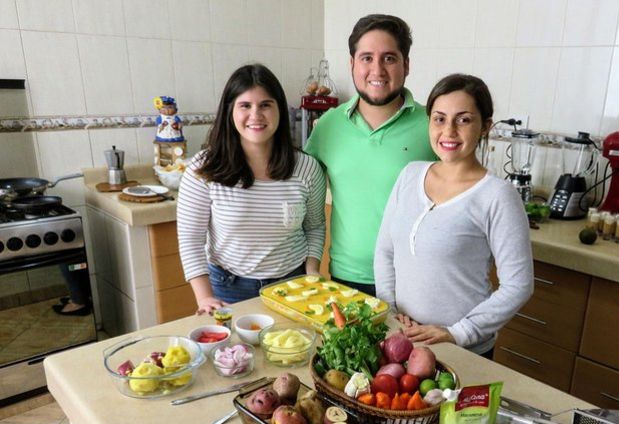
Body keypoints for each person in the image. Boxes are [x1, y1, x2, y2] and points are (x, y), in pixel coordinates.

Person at [374, 74, 534, 358]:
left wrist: (457, 333)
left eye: (463, 120)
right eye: (439, 119)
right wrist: (390, 312)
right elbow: (386, 251)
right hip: (401, 339)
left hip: (461, 350)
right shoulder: (410, 174)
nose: (448, 131)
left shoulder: (497, 196)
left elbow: (519, 285)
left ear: (485, 126)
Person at [177, 64, 326, 314]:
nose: (256, 115)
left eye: (265, 105)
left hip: (294, 286)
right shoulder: (204, 169)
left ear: (280, 110)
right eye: (245, 105)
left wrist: (312, 271)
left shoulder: (306, 167)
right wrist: (204, 298)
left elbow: (315, 226)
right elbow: (190, 240)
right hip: (228, 289)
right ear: (230, 111)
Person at [304, 14, 435, 297]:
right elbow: (299, 192)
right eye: (366, 58)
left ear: (406, 65)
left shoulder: (433, 125)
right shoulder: (328, 126)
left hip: (413, 279)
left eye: (389, 58)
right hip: (346, 279)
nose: (377, 70)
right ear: (352, 64)